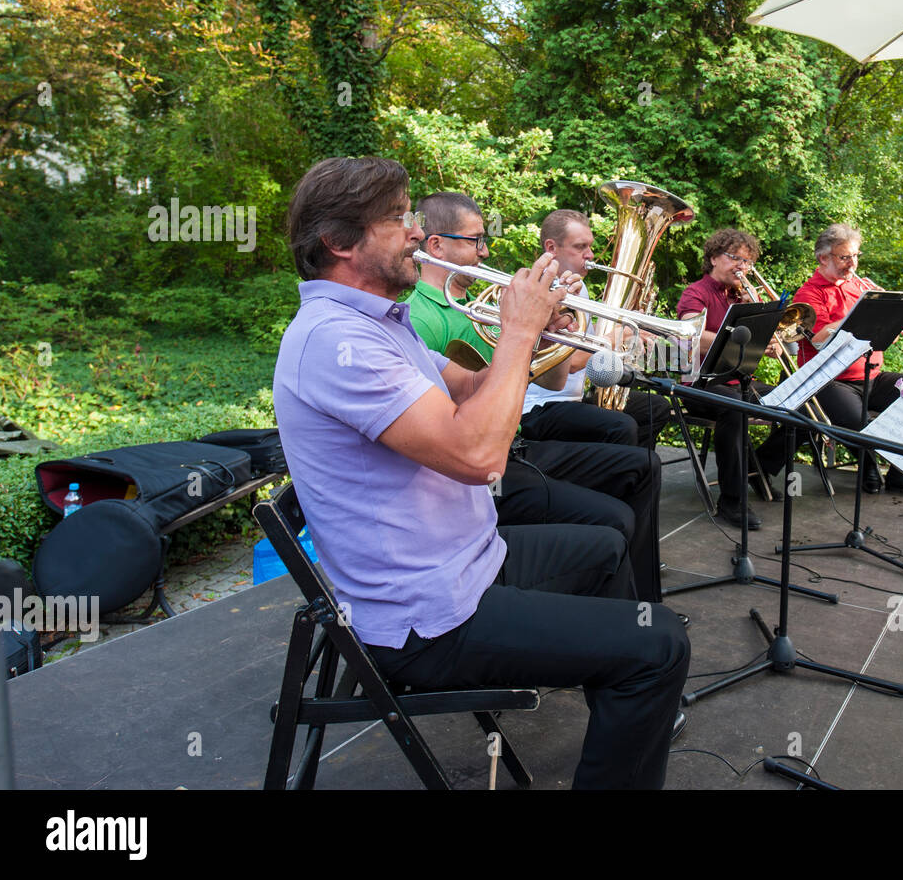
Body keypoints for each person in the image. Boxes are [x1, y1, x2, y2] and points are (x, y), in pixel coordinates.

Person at [273, 157, 688, 788]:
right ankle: (631, 686)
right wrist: (517, 333)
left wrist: (532, 338)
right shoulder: (335, 342)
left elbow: (470, 387)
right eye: (397, 219)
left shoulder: (379, 323)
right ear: (338, 242)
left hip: (465, 563)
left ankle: (621, 700)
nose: (416, 232)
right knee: (660, 646)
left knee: (607, 546)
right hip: (425, 617)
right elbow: (478, 458)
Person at [406, 191, 665, 602]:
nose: (485, 251)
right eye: (476, 240)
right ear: (436, 245)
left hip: (515, 443)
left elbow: (548, 379)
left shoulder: (476, 306)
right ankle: (621, 612)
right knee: (614, 516)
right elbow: (452, 424)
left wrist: (547, 334)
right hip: (485, 469)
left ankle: (643, 605)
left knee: (644, 465)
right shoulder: (420, 318)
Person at [525, 209, 675, 449]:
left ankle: (635, 468)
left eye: (590, 246)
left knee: (655, 408)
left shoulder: (578, 287)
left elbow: (583, 338)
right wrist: (615, 336)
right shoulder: (541, 289)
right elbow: (570, 362)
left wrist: (629, 330)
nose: (590, 255)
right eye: (580, 247)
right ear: (551, 248)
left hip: (572, 400)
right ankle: (615, 469)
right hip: (539, 407)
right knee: (621, 426)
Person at [792, 223, 903, 493]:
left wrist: (892, 321)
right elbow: (818, 339)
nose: (852, 264)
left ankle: (899, 472)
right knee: (856, 422)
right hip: (830, 380)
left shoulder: (861, 287)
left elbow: (882, 338)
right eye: (845, 257)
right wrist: (862, 315)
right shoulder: (809, 293)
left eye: (855, 256)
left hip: (871, 376)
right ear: (823, 258)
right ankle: (868, 464)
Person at [677, 229, 790, 530]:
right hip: (700, 383)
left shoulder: (745, 298)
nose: (743, 266)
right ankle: (732, 501)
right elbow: (690, 334)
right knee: (734, 407)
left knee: (799, 401)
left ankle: (760, 466)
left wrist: (768, 343)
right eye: (735, 258)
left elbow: (758, 342)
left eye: (748, 261)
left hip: (739, 382)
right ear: (714, 258)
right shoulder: (695, 293)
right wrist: (744, 341)